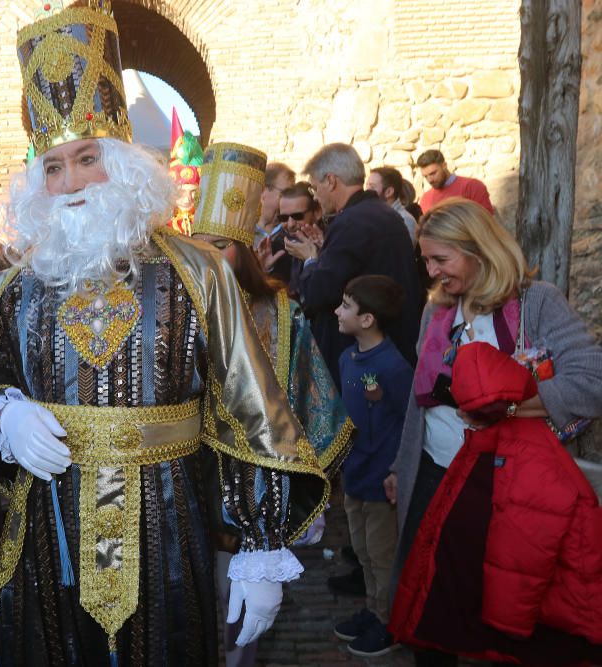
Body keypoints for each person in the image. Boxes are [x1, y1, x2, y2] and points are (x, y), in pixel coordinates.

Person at [0, 4, 329, 665]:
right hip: (45, 531)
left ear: (121, 162)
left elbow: (247, 405)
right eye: (53, 167)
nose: (70, 183)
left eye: (86, 158)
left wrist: (261, 543)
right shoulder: (16, 287)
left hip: (168, 528)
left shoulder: (197, 272)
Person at [386, 198, 602, 666]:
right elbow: (417, 405)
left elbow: (591, 381)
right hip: (434, 475)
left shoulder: (536, 303)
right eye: (425, 260)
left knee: (505, 615)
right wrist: (400, 468)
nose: (431, 272)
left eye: (440, 259)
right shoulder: (437, 312)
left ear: (479, 250)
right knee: (432, 615)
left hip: (502, 489)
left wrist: (508, 406)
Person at [191, 142, 352, 667]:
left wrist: (304, 484)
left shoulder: (278, 314)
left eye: (221, 243)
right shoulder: (175, 310)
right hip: (190, 479)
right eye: (199, 244)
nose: (209, 256)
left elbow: (309, 396)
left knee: (243, 612)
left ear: (244, 247)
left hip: (255, 479)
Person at [286, 142, 423, 383]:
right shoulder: (379, 212)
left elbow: (321, 291)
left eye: (316, 187)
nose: (316, 196)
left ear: (331, 180)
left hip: (367, 359)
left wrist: (309, 259)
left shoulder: (352, 221)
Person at [331, 275, 412, 658]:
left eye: (346, 305)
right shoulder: (348, 357)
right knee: (362, 550)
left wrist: (395, 470)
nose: (337, 311)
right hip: (356, 473)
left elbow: (407, 422)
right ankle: (374, 608)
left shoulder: (393, 368)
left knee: (382, 555)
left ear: (368, 319)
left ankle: (389, 622)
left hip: (381, 480)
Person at [276, 182, 323, 294]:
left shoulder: (329, 243)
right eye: (284, 217)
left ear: (317, 212)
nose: (291, 224)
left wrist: (312, 260)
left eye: (297, 216)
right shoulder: (276, 245)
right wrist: (264, 269)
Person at [254, 162, 296, 281]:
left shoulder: (294, 232)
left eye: (292, 194)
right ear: (263, 191)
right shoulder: (244, 233)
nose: (290, 200)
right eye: (285, 193)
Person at [416, 149, 493, 215]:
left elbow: (486, 220)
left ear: (444, 166)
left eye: (433, 173)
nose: (430, 180)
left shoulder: (472, 186)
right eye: (425, 176)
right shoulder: (426, 199)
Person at [367, 167, 416, 243]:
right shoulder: (371, 215)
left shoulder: (406, 220)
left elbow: (401, 252)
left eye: (372, 187)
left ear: (389, 192)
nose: (367, 191)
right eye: (367, 186)